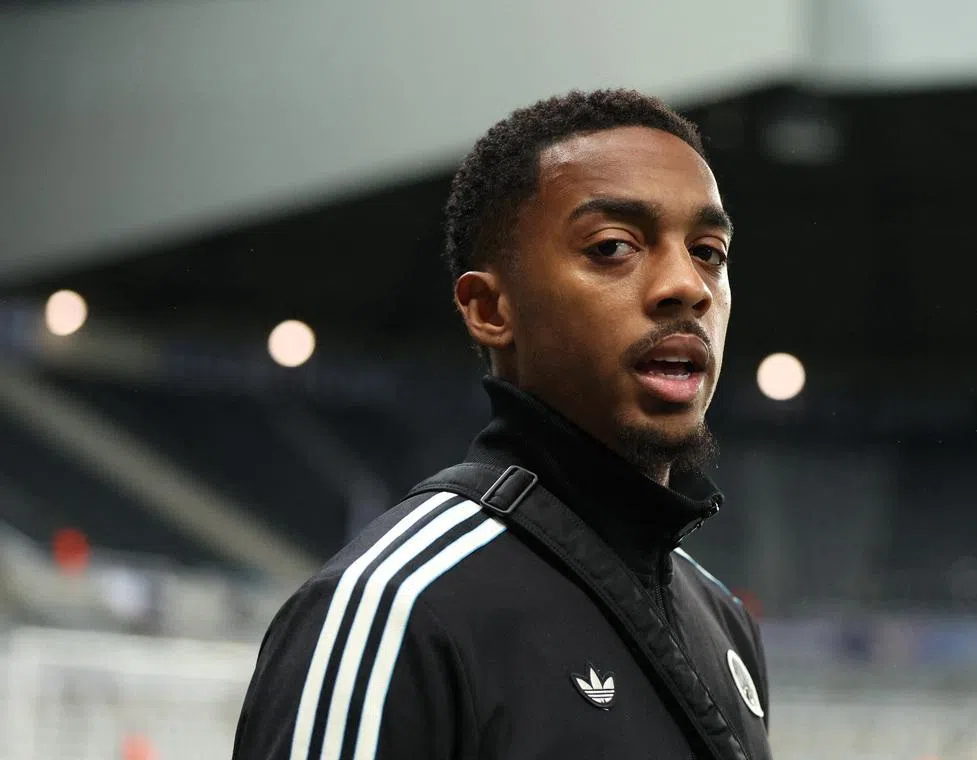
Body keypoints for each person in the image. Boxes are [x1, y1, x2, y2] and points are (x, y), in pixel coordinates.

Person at [232, 89, 771, 760]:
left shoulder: (724, 622)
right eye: (613, 246)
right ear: (490, 309)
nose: (687, 286)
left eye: (709, 251)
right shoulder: (394, 607)